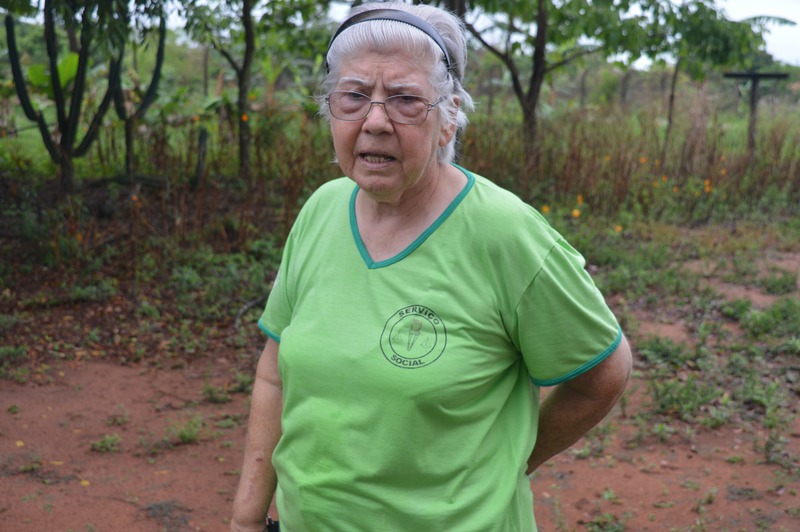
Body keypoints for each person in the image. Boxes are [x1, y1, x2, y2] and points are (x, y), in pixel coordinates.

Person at [230, 2, 632, 531]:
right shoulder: (321, 210)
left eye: (404, 99)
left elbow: (603, 373)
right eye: (353, 96)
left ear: (448, 119)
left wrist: (507, 462)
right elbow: (274, 373)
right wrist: (246, 517)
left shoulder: (504, 233)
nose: (375, 121)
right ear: (331, 110)